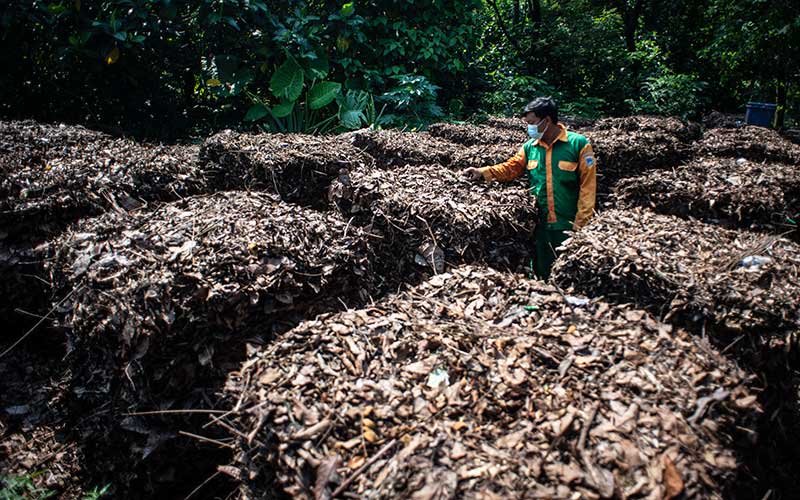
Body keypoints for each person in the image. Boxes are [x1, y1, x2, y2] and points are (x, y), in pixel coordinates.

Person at [463, 97, 596, 280]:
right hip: (540, 227)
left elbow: (588, 188)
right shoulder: (530, 147)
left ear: (547, 120)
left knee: (570, 277)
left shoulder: (578, 144)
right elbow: (511, 168)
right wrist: (483, 172)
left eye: (532, 123)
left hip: (569, 225)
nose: (529, 128)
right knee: (542, 275)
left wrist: (581, 225)